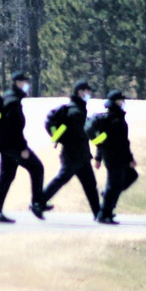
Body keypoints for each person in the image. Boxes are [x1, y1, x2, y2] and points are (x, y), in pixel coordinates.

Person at [0, 70, 46, 223]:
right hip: (13, 145)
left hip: (5, 144)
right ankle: (36, 203)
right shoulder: (13, 102)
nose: (27, 85)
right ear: (18, 83)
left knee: (6, 177)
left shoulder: (8, 97)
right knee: (37, 168)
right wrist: (23, 148)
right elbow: (14, 128)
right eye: (25, 82)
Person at [41, 80, 101, 219]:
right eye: (87, 91)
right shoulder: (75, 111)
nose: (89, 94)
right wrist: (62, 139)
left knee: (90, 184)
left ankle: (99, 213)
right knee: (62, 179)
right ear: (80, 92)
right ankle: (38, 202)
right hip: (73, 154)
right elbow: (76, 133)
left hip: (82, 155)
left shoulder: (78, 108)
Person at [93, 90, 138, 225]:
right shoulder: (115, 120)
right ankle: (103, 214)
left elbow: (101, 141)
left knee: (128, 178)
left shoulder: (112, 118)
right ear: (116, 102)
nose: (123, 102)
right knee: (114, 186)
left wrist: (99, 157)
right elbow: (123, 142)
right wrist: (130, 159)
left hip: (113, 156)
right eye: (121, 100)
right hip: (115, 157)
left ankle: (107, 201)